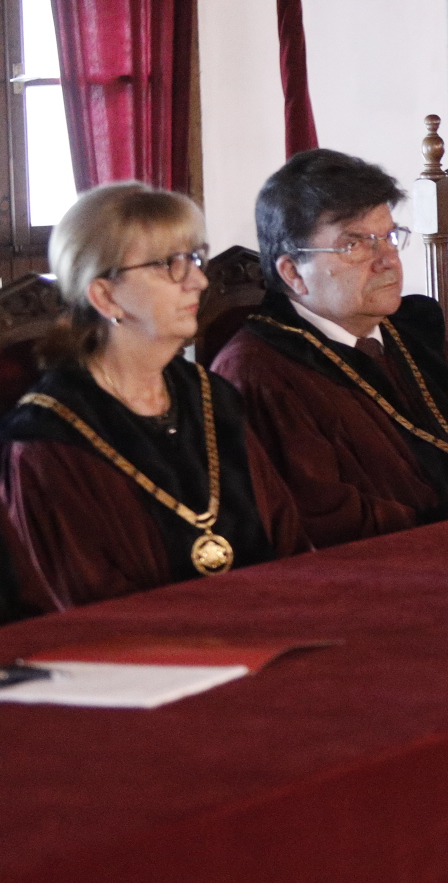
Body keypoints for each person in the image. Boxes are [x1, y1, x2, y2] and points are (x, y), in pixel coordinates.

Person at [213, 150, 448, 548]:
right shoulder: (258, 376)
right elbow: (321, 522)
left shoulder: (414, 337)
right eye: (354, 245)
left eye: (390, 237)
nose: (387, 260)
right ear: (292, 272)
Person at [1, 184, 306, 610]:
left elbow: (289, 543)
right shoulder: (48, 441)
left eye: (195, 258)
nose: (199, 281)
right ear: (104, 295)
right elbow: (88, 608)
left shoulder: (211, 396)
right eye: (169, 265)